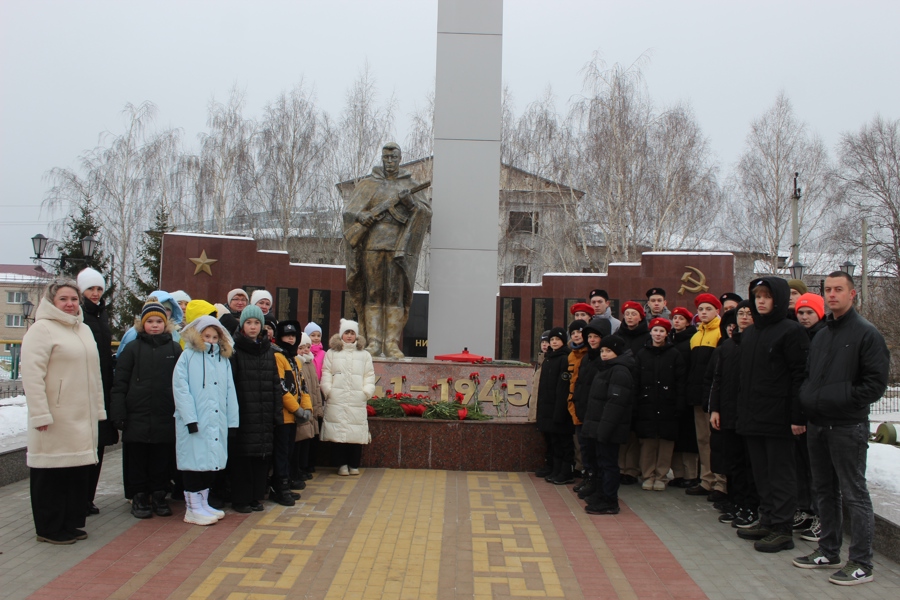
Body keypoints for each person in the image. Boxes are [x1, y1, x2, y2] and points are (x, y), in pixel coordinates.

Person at [793, 272, 889, 585]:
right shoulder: (822, 334)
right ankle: (828, 549)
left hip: (847, 426)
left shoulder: (866, 333)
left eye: (838, 290)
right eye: (828, 290)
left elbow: (874, 384)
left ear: (852, 294)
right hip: (818, 424)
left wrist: (840, 401)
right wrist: (809, 399)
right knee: (824, 490)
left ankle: (862, 563)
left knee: (854, 493)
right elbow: (810, 375)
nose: (832, 295)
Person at [22, 279, 105, 544]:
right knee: (51, 474)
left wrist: (99, 409)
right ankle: (48, 528)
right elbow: (32, 376)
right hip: (56, 416)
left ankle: (69, 523)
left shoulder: (83, 330)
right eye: (63, 299)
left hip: (82, 416)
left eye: (73, 299)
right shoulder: (41, 330)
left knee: (75, 472)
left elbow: (95, 374)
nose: (70, 304)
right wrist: (40, 414)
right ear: (51, 302)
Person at [735, 277, 809, 553]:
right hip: (753, 417)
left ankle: (782, 528)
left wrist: (797, 416)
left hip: (779, 419)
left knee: (781, 475)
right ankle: (767, 519)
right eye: (757, 296)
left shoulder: (791, 331)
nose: (761, 301)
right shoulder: (751, 332)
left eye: (767, 296)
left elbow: (799, 376)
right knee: (761, 473)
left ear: (777, 299)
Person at [343, 143, 432, 358]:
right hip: (371, 245)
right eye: (386, 157)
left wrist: (411, 204)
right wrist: (361, 216)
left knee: (394, 295)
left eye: (394, 158)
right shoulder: (368, 184)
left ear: (400, 159)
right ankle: (374, 342)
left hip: (398, 246)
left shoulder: (410, 184)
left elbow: (425, 213)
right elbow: (349, 211)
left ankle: (391, 343)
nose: (390, 161)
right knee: (373, 293)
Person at [110, 301, 182, 518]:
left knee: (161, 458)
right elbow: (120, 383)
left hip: (164, 414)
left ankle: (159, 495)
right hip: (137, 415)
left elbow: (181, 382)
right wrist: (118, 412)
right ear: (142, 324)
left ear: (166, 324)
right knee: (137, 458)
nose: (154, 325)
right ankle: (139, 496)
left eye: (159, 321)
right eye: (149, 321)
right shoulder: (132, 348)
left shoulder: (174, 349)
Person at [173, 316, 238, 526]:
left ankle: (203, 503)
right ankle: (192, 508)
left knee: (210, 464)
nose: (210, 340)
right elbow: (180, 389)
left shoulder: (223, 360)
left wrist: (232, 422)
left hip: (215, 420)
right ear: (198, 336)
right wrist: (189, 418)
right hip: (195, 422)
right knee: (194, 464)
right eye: (206, 336)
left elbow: (230, 392)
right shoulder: (187, 357)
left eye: (214, 337)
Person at [228, 305, 283, 513]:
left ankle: (255, 497)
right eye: (249, 323)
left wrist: (276, 413)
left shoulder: (268, 350)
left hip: (264, 413)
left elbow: (275, 383)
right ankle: (240, 499)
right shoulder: (234, 350)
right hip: (244, 413)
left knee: (261, 457)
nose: (253, 327)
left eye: (257, 323)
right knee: (243, 458)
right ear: (242, 325)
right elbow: (231, 384)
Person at [709, 303, 759, 528]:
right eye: (741, 314)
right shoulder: (728, 345)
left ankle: (751, 507)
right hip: (728, 413)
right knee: (734, 462)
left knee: (750, 464)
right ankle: (737, 503)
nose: (745, 318)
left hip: (749, 415)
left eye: (749, 314)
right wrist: (716, 409)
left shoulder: (756, 342)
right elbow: (717, 380)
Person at [76, 268, 118, 517]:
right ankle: (79, 497)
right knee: (85, 445)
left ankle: (88, 497)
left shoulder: (102, 315)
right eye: (91, 289)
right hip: (85, 388)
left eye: (99, 289)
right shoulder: (79, 316)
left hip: (103, 387)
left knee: (99, 446)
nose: (95, 293)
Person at [582, 335, 635, 515]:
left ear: (617, 352)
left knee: (608, 464)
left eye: (608, 351)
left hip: (608, 428)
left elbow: (615, 404)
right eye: (602, 351)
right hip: (599, 427)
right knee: (600, 462)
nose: (604, 354)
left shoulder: (620, 371)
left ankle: (610, 500)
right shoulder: (605, 369)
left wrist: (603, 430)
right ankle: (601, 494)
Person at [634, 317, 685, 491]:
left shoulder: (674, 354)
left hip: (667, 405)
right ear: (650, 332)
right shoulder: (642, 354)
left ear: (667, 333)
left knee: (665, 444)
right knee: (648, 444)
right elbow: (636, 381)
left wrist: (679, 403)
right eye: (655, 330)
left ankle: (661, 477)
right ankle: (648, 475)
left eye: (662, 331)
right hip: (646, 404)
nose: (658, 334)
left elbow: (680, 381)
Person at [792, 292, 827, 540]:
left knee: (818, 470)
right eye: (801, 313)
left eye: (809, 313)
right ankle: (805, 509)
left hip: (816, 414)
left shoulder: (824, 337)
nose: (804, 317)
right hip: (799, 411)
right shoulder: (798, 336)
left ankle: (822, 517)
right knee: (801, 466)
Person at [321, 319, 376, 474]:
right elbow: (326, 372)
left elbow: (369, 375)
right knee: (338, 432)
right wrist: (328, 389)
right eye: (347, 332)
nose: (349, 336)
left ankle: (354, 464)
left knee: (355, 432)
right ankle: (341, 464)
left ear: (356, 335)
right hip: (337, 398)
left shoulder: (364, 354)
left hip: (357, 398)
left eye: (352, 333)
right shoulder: (332, 353)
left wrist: (367, 391)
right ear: (341, 335)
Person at [685, 293, 726, 499]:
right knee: (702, 440)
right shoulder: (695, 335)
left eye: (708, 309)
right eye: (700, 309)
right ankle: (707, 480)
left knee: (715, 441)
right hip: (698, 395)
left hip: (713, 396)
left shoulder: (720, 333)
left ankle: (721, 483)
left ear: (717, 311)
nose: (703, 313)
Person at [271, 320, 313, 506]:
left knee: (288, 452)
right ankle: (279, 488)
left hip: (295, 416)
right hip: (284, 416)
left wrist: (307, 408)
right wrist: (296, 409)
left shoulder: (295, 359)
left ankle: (285, 485)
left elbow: (302, 386)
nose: (290, 339)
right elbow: (280, 387)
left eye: (293, 336)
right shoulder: (277, 357)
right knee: (281, 453)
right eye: (286, 335)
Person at [534, 327, 574, 483]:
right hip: (548, 408)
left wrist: (559, 410)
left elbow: (562, 388)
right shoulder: (549, 358)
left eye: (557, 339)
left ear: (563, 341)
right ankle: (555, 470)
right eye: (552, 340)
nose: (554, 342)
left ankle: (566, 472)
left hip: (560, 409)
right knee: (554, 442)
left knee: (564, 443)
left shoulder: (565, 358)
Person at [616, 300, 650, 485]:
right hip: (620, 386)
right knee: (622, 430)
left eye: (633, 313)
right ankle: (620, 467)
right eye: (627, 314)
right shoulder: (618, 335)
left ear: (641, 316)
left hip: (639, 387)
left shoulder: (647, 336)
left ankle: (632, 469)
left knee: (635, 432)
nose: (630, 317)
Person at [571, 322, 604, 500]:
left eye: (595, 337)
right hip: (583, 409)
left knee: (594, 450)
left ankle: (596, 483)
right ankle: (588, 477)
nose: (591, 340)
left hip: (595, 413)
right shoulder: (586, 358)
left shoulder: (603, 359)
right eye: (589, 337)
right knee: (585, 449)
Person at [669, 306, 699, 488]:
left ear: (688, 322)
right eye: (674, 318)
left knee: (688, 437)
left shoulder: (692, 340)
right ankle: (678, 473)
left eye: (681, 318)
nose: (677, 321)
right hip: (671, 393)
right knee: (675, 436)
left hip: (686, 393)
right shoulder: (669, 339)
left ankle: (691, 474)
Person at [293, 332, 324, 485]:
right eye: (301, 347)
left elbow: (316, 388)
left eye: (307, 347)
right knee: (299, 441)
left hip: (311, 408)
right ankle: (297, 469)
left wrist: (318, 407)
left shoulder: (310, 363)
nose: (305, 350)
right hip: (301, 411)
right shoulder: (296, 363)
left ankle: (303, 467)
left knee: (308, 441)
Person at [562, 319, 589, 485]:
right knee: (577, 440)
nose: (577, 336)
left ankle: (588, 472)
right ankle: (580, 468)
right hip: (572, 400)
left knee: (586, 441)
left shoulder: (590, 354)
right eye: (573, 333)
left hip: (585, 401)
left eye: (579, 332)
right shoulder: (571, 354)